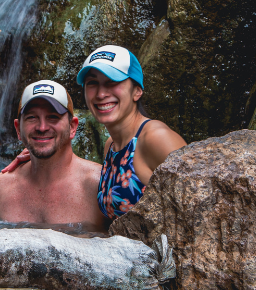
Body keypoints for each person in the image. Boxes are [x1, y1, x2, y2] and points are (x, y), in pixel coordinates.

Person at [76, 45, 185, 220]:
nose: (101, 93)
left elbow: (202, 205)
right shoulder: (111, 145)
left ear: (137, 91)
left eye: (112, 82)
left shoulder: (156, 138)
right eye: (92, 83)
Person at [0, 80, 108, 231]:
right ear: (18, 129)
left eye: (53, 117)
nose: (42, 127)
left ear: (72, 127)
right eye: (32, 118)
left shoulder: (100, 185)